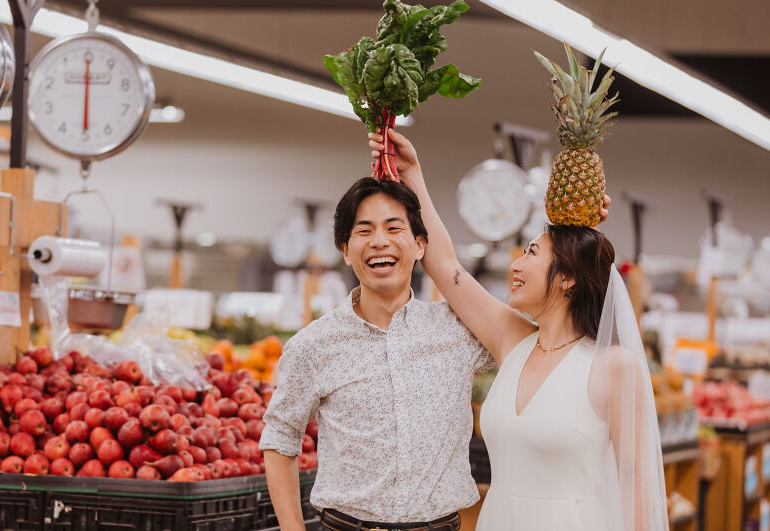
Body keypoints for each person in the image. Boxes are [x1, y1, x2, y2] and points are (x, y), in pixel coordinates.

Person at [368, 130, 668, 531]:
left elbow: (636, 481)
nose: (515, 265)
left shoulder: (614, 366)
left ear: (568, 278)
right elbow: (446, 267)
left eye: (531, 253)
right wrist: (413, 174)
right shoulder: (514, 341)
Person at [260, 177, 496, 531]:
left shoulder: (460, 331)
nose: (379, 241)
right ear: (345, 250)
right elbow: (280, 437)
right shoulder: (313, 345)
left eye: (394, 228)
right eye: (364, 230)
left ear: (420, 245)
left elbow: (525, 337)